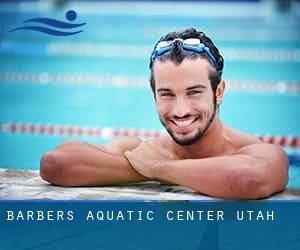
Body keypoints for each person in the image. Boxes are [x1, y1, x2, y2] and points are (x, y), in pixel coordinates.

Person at [40, 28, 288, 199]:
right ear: (154, 95)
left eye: (194, 93)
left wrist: (161, 168)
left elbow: (249, 180)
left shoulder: (255, 151)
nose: (180, 111)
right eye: (167, 94)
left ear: (219, 91)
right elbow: (56, 164)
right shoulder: (141, 149)